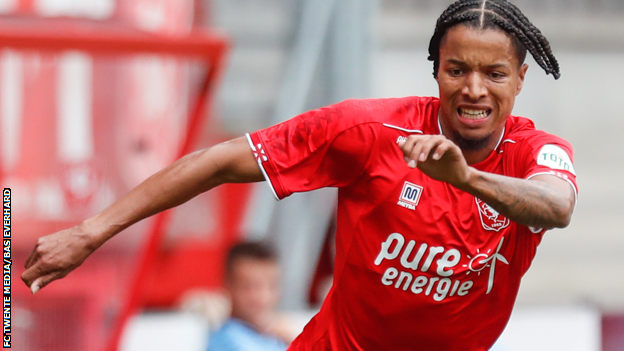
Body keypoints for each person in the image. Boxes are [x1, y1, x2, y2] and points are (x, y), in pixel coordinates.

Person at [22, 0, 577, 349]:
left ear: (521, 79)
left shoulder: (537, 153)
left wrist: (466, 179)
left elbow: (555, 206)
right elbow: (220, 160)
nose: (474, 89)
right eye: (457, 70)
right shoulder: (368, 130)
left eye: (494, 73)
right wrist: (90, 231)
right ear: (436, 70)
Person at [205, 241, 289, 351]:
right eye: (249, 287)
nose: (262, 298)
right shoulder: (225, 341)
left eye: (271, 286)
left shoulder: (275, 337)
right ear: (228, 285)